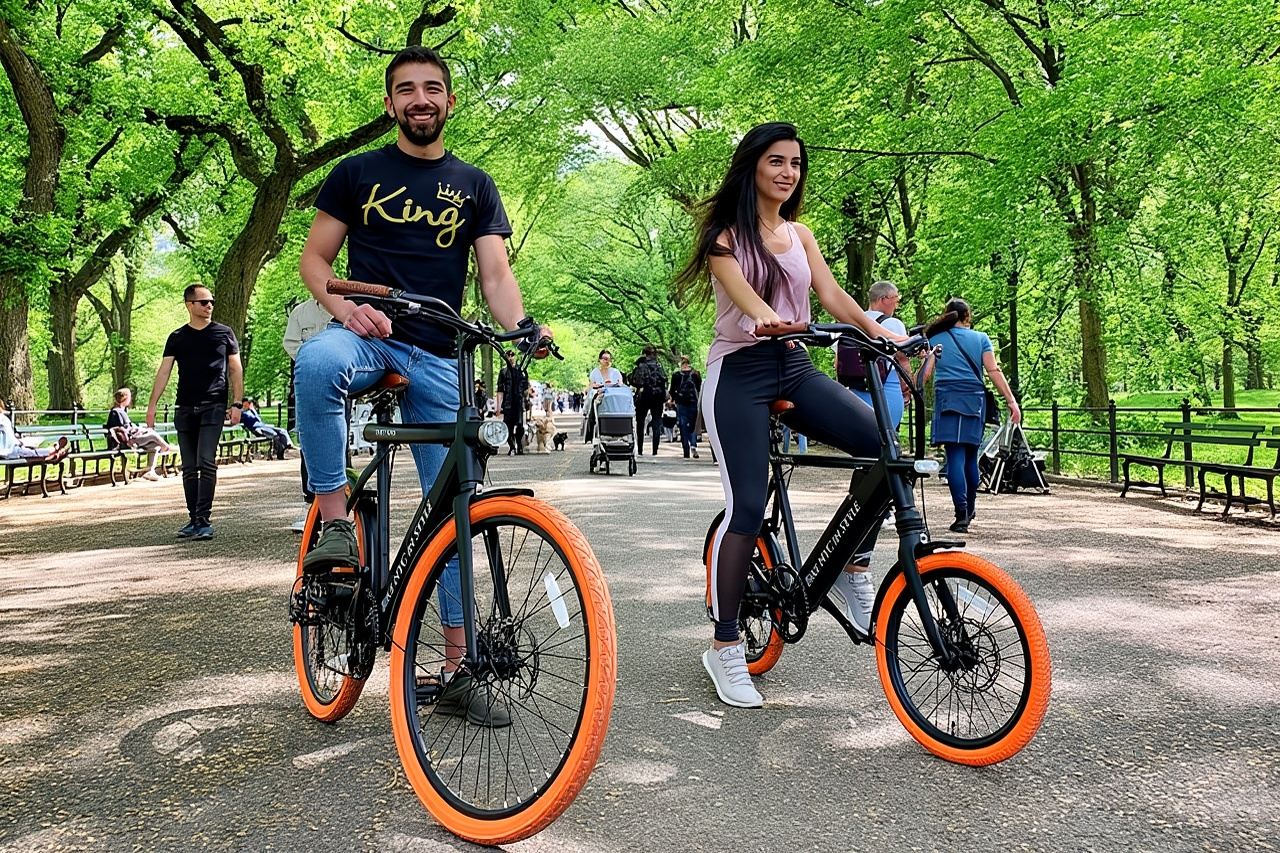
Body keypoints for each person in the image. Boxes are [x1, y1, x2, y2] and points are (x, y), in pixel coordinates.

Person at [292, 46, 548, 726]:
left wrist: (521, 325)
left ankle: (458, 668)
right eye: (406, 89)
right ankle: (339, 530)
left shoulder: (474, 184)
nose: (420, 99)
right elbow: (314, 260)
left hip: (440, 352)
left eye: (432, 88)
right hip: (369, 335)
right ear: (390, 104)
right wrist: (344, 310)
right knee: (318, 363)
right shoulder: (356, 173)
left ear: (449, 102)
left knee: (457, 510)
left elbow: (494, 276)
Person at [673, 121, 902, 709]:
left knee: (882, 447)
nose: (787, 172)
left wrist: (877, 331)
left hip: (794, 367)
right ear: (752, 166)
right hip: (739, 375)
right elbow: (745, 298)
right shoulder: (725, 237)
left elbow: (832, 296)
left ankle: (853, 566)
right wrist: (766, 316)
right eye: (775, 161)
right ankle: (726, 648)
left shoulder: (800, 234)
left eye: (795, 164)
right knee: (746, 507)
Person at [828, 281, 912, 622]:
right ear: (886, 299)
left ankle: (850, 553)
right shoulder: (891, 325)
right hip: (884, 393)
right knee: (883, 463)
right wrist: (909, 381)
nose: (897, 304)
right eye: (896, 298)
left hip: (854, 397)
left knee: (868, 467)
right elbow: (902, 357)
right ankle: (853, 561)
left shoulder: (852, 321)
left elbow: (838, 364)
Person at [145, 284, 243, 541]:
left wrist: (237, 403)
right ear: (190, 305)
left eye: (211, 301)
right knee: (189, 466)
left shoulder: (224, 333)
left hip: (214, 406)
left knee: (206, 461)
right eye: (203, 302)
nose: (209, 305)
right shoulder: (177, 337)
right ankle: (193, 519)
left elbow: (235, 370)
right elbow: (164, 371)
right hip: (185, 407)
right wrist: (152, 405)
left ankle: (204, 519)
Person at [925, 297, 1020, 533]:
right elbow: (993, 371)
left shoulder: (935, 339)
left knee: (954, 457)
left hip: (947, 398)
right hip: (973, 400)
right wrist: (1011, 401)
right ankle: (970, 509)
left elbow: (926, 373)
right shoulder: (981, 339)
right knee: (970, 457)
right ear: (968, 316)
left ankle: (961, 514)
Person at [284, 297, 334, 532]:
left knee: (337, 442)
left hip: (338, 382)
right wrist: (314, 361)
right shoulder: (301, 312)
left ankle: (339, 509)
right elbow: (291, 344)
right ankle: (310, 506)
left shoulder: (345, 307)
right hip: (308, 382)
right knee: (309, 443)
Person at [105, 388, 174, 480]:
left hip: (133, 436)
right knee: (152, 435)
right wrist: (133, 432)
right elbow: (119, 429)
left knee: (154, 446)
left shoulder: (123, 410)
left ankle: (150, 471)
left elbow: (128, 426)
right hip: (129, 441)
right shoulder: (115, 412)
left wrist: (138, 429)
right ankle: (167, 447)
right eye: (129, 397)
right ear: (125, 398)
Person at [0, 398, 70, 462]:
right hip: (9, 451)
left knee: (29, 450)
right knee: (28, 452)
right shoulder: (3, 419)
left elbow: (9, 438)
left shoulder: (3, 419)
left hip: (10, 449)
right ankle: (53, 451)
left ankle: (52, 454)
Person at [629, 345, 667, 456]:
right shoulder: (659, 366)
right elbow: (664, 379)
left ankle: (640, 449)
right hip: (658, 396)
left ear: (644, 353)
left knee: (640, 423)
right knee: (656, 422)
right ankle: (655, 450)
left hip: (644, 396)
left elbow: (635, 380)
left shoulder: (641, 365)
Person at [584, 349, 623, 442]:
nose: (607, 361)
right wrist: (596, 386)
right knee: (595, 404)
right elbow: (591, 385)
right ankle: (591, 433)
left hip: (613, 396)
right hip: (599, 395)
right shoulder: (595, 372)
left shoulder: (616, 372)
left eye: (609, 359)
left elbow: (620, 384)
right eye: (605, 359)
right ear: (600, 360)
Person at [496, 349, 529, 455]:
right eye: (508, 356)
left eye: (512, 355)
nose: (510, 358)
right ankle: (512, 446)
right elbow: (500, 390)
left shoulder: (521, 370)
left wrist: (526, 400)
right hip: (507, 403)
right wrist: (498, 407)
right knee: (507, 426)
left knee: (520, 425)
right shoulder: (503, 372)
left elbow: (526, 388)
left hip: (518, 402)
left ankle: (520, 445)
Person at [668, 356, 702, 459]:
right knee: (692, 425)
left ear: (681, 364)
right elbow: (699, 388)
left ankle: (685, 450)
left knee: (683, 425)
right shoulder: (696, 374)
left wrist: (672, 399)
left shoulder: (676, 375)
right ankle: (693, 444)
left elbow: (672, 390)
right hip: (693, 402)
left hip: (681, 403)